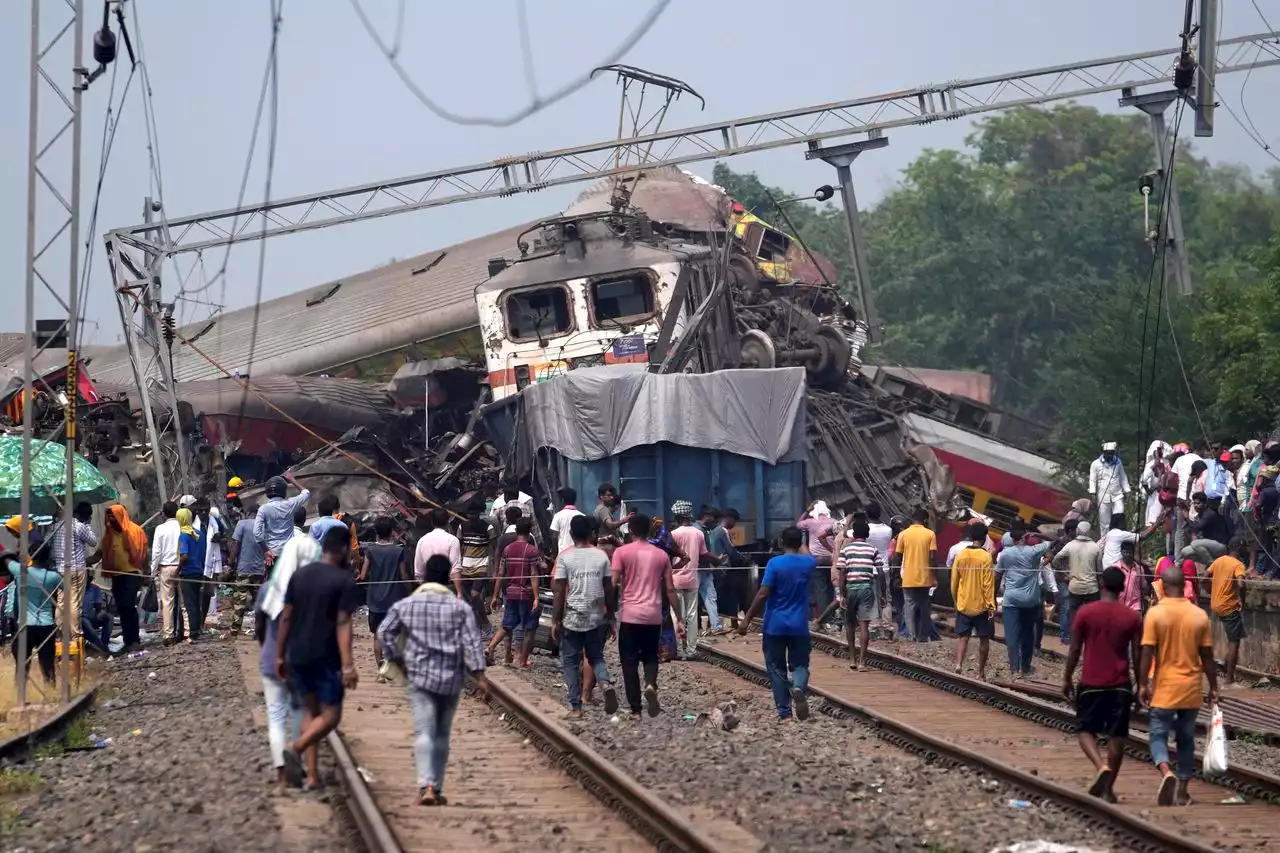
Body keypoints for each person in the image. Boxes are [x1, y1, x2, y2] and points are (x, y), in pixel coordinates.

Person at [377, 553, 489, 806]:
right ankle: (435, 788)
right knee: (442, 734)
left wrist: (397, 659)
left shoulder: (407, 606)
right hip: (451, 679)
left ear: (425, 576)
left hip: (419, 677)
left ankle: (425, 786)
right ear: (448, 578)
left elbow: (384, 632)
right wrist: (480, 677)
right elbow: (472, 644)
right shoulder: (460, 608)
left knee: (424, 732)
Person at [275, 526, 360, 791]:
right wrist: (347, 665)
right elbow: (343, 622)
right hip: (325, 657)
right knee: (331, 716)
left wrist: (279, 655)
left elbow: (286, 616)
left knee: (311, 714)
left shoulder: (300, 575)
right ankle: (295, 747)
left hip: (297, 655)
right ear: (345, 549)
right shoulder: (344, 580)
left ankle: (312, 777)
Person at [1138, 562, 1218, 806]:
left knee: (1157, 734)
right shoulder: (1199, 615)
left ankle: (1166, 771)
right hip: (1192, 688)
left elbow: (1147, 652)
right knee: (1186, 739)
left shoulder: (1155, 613)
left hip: (1165, 688)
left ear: (1161, 585)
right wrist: (1214, 687)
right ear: (1184, 585)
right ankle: (1183, 789)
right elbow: (1207, 656)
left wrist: (1142, 684)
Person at [1062, 566, 1141, 803]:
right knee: (1117, 737)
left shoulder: (1086, 612)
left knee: (1085, 730)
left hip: (1091, 682)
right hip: (1120, 684)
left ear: (1102, 584)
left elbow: (1075, 648)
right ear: (1122, 588)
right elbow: (1138, 654)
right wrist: (1141, 684)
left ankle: (1100, 766)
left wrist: (1066, 677)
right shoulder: (1132, 617)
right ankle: (1108, 789)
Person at [254, 520, 319, 793]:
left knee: (276, 718)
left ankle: (282, 776)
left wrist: (267, 648)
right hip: (300, 663)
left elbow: (259, 625)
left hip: (271, 661)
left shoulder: (268, 589)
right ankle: (299, 766)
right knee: (299, 713)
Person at [737, 526, 814, 722]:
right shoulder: (808, 563)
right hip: (799, 625)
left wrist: (747, 618)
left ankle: (785, 714)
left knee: (776, 668)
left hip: (774, 625)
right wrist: (801, 542)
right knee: (800, 665)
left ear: (781, 542)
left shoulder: (774, 563)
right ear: (800, 543)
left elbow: (763, 593)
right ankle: (798, 686)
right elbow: (806, 553)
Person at [612, 514, 684, 717]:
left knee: (629, 661)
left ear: (631, 531)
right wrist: (679, 618)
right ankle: (650, 684)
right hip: (653, 616)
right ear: (649, 531)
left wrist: (608, 610)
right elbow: (670, 589)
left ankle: (635, 709)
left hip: (629, 615)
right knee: (651, 657)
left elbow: (613, 583)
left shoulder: (621, 552)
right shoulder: (661, 555)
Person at [551, 514, 617, 718]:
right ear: (590, 533)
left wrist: (555, 620)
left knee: (570, 661)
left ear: (570, 534)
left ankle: (576, 707)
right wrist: (612, 616)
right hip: (597, 615)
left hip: (573, 616)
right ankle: (605, 683)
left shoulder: (565, 557)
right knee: (596, 656)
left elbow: (560, 591)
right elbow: (609, 589)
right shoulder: (601, 556)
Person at [996, 519, 1051, 678]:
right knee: (1028, 634)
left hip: (1011, 600)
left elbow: (997, 576)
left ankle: (1015, 668)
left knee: (1012, 635)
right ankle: (1025, 667)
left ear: (1011, 538)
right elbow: (1055, 542)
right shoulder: (1034, 551)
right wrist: (1038, 534)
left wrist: (992, 597)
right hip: (1031, 600)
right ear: (1025, 536)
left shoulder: (1005, 554)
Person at [486, 518, 541, 669]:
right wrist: (536, 597)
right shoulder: (531, 550)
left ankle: (490, 647)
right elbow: (534, 575)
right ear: (529, 532)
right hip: (527, 594)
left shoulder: (508, 549)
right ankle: (521, 661)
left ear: (516, 531)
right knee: (530, 628)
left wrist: (495, 595)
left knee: (507, 625)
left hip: (511, 593)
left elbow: (501, 574)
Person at [4, 535, 60, 684]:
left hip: (24, 627)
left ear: (31, 555)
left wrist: (12, 555)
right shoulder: (53, 576)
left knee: (22, 667)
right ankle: (51, 696)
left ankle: (20, 700)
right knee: (48, 666)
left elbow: (6, 559)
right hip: (46, 627)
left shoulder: (20, 571)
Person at [358, 516, 410, 670]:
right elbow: (404, 575)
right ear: (391, 531)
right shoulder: (399, 550)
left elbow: (362, 575)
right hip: (394, 599)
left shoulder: (370, 550)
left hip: (375, 601)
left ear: (376, 532)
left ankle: (380, 662)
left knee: (377, 635)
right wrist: (410, 589)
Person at [48, 500, 99, 645]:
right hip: (77, 569)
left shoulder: (55, 527)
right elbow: (94, 542)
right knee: (75, 602)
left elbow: (46, 544)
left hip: (60, 570)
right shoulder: (79, 526)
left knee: (61, 603)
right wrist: (87, 525)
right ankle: (76, 635)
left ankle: (61, 634)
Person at [951, 522, 996, 680]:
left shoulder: (961, 554)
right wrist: (991, 605)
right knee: (984, 639)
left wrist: (956, 600)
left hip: (964, 603)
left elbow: (954, 580)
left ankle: (958, 664)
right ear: (984, 538)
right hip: (981, 605)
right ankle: (981, 673)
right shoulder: (985, 557)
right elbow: (988, 583)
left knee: (963, 637)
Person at [835, 520, 882, 671]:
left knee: (849, 624)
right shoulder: (872, 549)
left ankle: (852, 659)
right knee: (864, 626)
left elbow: (842, 571)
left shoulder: (846, 549)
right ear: (867, 535)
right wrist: (882, 594)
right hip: (867, 589)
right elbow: (880, 572)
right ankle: (863, 662)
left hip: (850, 589)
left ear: (854, 534)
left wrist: (841, 594)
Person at [100, 503, 147, 651]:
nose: (110, 522)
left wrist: (147, 572)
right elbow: (99, 553)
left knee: (128, 605)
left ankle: (134, 640)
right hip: (117, 576)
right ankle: (129, 641)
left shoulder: (134, 531)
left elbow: (144, 553)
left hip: (132, 574)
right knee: (122, 608)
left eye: (113, 518)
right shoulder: (109, 536)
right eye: (109, 519)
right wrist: (83, 562)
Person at [1204, 538, 1248, 686]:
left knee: (1233, 637)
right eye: (1244, 547)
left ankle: (1224, 661)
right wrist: (1242, 599)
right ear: (1239, 548)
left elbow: (1205, 576)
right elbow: (1241, 584)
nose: (1246, 550)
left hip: (1215, 604)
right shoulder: (1238, 565)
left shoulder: (1219, 560)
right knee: (1235, 641)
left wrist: (1209, 590)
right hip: (1229, 606)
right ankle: (1229, 678)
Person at [1051, 520, 1102, 645]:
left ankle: (1072, 639)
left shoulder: (1070, 545)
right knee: (1092, 614)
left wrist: (1065, 573)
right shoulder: (1096, 547)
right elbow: (1099, 569)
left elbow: (1055, 560)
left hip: (1074, 586)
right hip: (1092, 588)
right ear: (1089, 532)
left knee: (1071, 612)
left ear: (1078, 531)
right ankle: (1090, 640)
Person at [891, 509, 937, 644]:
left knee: (909, 607)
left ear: (912, 519)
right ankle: (923, 637)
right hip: (925, 578)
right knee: (925, 607)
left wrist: (896, 576)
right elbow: (933, 557)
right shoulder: (930, 534)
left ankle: (910, 636)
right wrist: (934, 577)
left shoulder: (903, 534)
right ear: (925, 520)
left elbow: (897, 556)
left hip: (908, 577)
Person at [668, 501, 706, 657]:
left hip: (675, 579)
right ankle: (691, 650)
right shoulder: (699, 533)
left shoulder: (673, 534)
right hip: (693, 579)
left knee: (677, 615)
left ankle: (677, 650)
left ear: (677, 516)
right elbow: (703, 554)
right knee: (692, 616)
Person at [254, 473, 312, 570]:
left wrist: (266, 551)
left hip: (272, 554)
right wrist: (292, 480)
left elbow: (257, 533)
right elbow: (306, 493)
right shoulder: (290, 504)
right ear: (283, 490)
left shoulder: (263, 509)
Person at [457, 501, 495, 637]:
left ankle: (485, 622)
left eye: (473, 514)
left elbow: (493, 548)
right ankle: (475, 627)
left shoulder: (488, 528)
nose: (471, 516)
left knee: (475, 594)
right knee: (468, 600)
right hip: (465, 567)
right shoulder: (462, 527)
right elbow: (459, 546)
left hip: (481, 566)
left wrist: (492, 568)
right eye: (469, 514)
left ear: (479, 514)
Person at [228, 501, 265, 633]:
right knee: (259, 601)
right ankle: (259, 629)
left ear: (247, 513)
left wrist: (230, 563)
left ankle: (235, 628)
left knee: (240, 600)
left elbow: (235, 544)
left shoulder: (242, 524)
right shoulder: (264, 526)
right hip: (259, 570)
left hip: (243, 568)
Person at [797, 501, 836, 626]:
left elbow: (798, 524)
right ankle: (832, 617)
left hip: (817, 559)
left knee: (821, 590)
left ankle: (824, 620)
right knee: (832, 589)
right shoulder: (834, 522)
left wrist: (807, 510)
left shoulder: (810, 522)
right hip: (832, 558)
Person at [708, 508, 748, 630]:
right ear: (729, 519)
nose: (735, 525)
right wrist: (744, 559)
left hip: (715, 569)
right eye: (735, 521)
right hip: (724, 570)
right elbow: (731, 551)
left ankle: (714, 625)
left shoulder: (713, 531)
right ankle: (730, 625)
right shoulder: (723, 531)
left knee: (716, 598)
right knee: (732, 598)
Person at [150, 500, 182, 645]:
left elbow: (156, 552)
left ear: (163, 514)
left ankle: (168, 634)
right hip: (182, 566)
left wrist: (152, 570)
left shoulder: (160, 529)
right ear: (177, 512)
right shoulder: (183, 527)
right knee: (183, 603)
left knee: (167, 602)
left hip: (166, 568)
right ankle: (187, 632)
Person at [413, 507, 462, 593]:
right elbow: (455, 570)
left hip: (428, 587)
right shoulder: (453, 540)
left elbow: (418, 573)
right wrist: (459, 593)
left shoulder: (422, 540)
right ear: (447, 522)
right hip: (447, 588)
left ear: (432, 522)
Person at [176, 508, 206, 644]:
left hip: (187, 573)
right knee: (197, 602)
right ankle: (198, 630)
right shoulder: (199, 534)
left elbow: (184, 556)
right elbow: (203, 553)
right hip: (199, 572)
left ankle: (193, 633)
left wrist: (178, 570)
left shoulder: (183, 535)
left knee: (190, 604)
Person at [1088, 442, 1130, 532]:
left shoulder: (1118, 462)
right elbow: (1092, 480)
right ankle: (1104, 542)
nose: (1110, 455)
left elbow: (1123, 477)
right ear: (1104, 452)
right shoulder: (1095, 464)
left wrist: (1127, 491)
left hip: (1117, 495)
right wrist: (1093, 494)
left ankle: (1119, 540)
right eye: (1108, 453)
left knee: (1119, 516)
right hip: (1103, 496)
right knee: (1105, 522)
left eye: (1112, 453)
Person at [1140, 441, 1174, 527]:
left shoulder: (1169, 464)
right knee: (1153, 522)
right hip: (1156, 497)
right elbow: (1144, 480)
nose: (1160, 452)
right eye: (1158, 450)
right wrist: (1154, 466)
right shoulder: (1151, 465)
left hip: (1169, 496)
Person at [1112, 540, 1150, 614]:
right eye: (1125, 552)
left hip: (1135, 605)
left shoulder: (1139, 568)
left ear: (1133, 553)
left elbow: (1144, 586)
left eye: (1130, 552)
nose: (1128, 555)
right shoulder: (1115, 567)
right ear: (1121, 552)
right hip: (1118, 604)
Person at [593, 482, 631, 551]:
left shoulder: (600, 509)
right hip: (607, 546)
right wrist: (625, 520)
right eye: (609, 495)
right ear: (601, 496)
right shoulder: (602, 509)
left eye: (612, 495)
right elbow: (610, 525)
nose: (612, 497)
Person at [549, 487, 584, 556]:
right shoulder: (582, 516)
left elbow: (554, 537)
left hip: (563, 555)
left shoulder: (558, 516)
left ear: (562, 500)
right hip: (579, 555)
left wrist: (554, 553)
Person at [81, 582, 113, 656]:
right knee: (88, 627)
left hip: (91, 616)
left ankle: (104, 644)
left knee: (109, 618)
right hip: (80, 618)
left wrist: (100, 612)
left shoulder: (94, 588)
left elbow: (98, 607)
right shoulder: (75, 587)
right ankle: (103, 650)